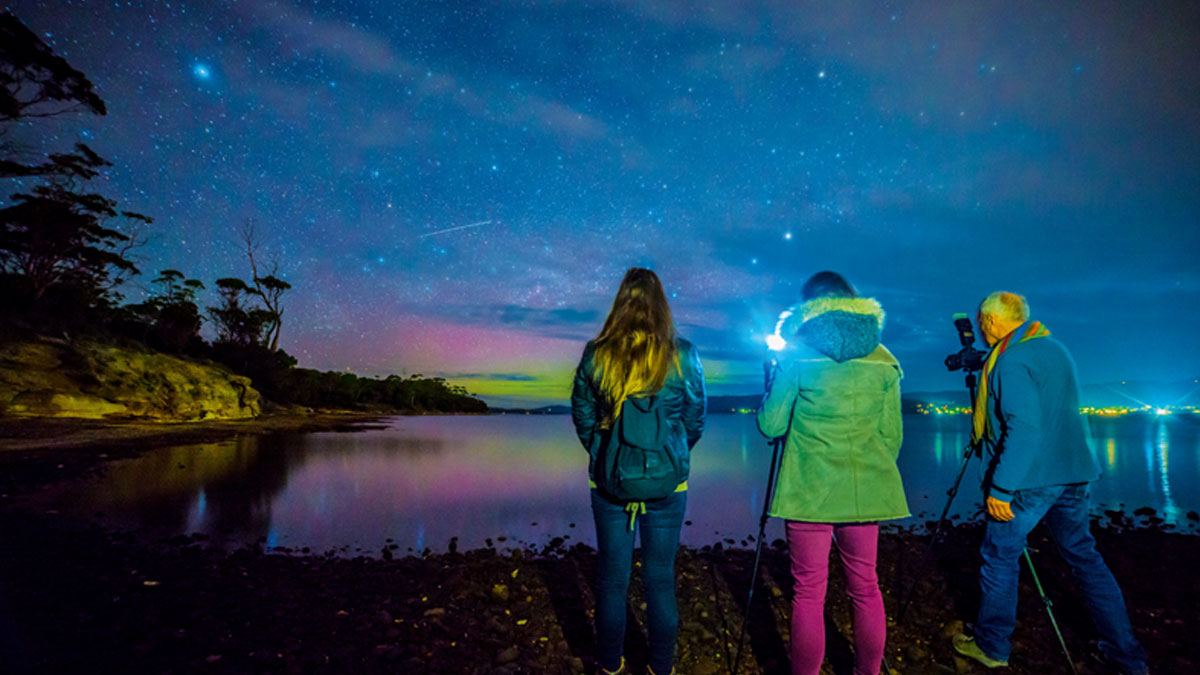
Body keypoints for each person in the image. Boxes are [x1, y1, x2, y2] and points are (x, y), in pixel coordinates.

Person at [952, 291, 1149, 674]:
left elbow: (1024, 426)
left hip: (1029, 481)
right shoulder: (1054, 348)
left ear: (990, 321)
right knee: (1084, 558)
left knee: (999, 556)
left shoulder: (1009, 362)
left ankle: (991, 646)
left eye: (981, 321)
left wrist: (1001, 487)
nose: (979, 328)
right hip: (1074, 474)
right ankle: (1126, 655)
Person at [758, 271, 909, 675]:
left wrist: (772, 381)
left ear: (808, 308)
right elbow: (891, 438)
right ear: (854, 303)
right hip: (866, 490)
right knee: (865, 587)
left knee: (808, 593)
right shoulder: (884, 358)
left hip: (809, 491)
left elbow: (771, 426)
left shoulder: (796, 355)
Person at [570, 267, 706, 675]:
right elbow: (695, 416)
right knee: (660, 580)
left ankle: (610, 666)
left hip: (611, 484)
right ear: (661, 304)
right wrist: (674, 455)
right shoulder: (682, 352)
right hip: (668, 482)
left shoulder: (598, 353)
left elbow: (582, 414)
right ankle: (660, 668)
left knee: (613, 580)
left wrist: (602, 451)